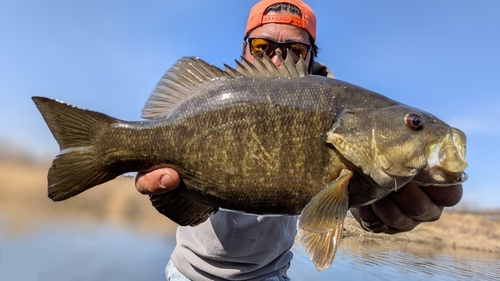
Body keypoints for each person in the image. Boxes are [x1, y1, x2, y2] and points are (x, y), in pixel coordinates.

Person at [135, 1, 463, 280]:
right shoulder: (215, 94)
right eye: (262, 47)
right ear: (244, 49)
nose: (277, 60)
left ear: (310, 58)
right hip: (188, 274)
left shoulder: (340, 111)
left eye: (295, 50)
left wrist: (374, 211)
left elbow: (340, 205)